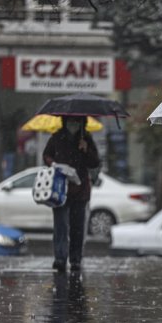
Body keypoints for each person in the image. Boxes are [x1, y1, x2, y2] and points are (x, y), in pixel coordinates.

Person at [43, 115, 100, 273]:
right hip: (60, 188)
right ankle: (60, 258)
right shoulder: (56, 138)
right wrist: (54, 164)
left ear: (82, 122)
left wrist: (86, 149)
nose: (73, 124)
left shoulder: (86, 138)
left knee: (77, 227)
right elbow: (46, 155)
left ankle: (76, 259)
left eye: (77, 121)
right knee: (60, 225)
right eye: (70, 120)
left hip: (80, 190)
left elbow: (95, 162)